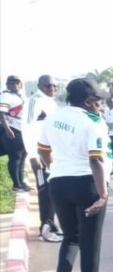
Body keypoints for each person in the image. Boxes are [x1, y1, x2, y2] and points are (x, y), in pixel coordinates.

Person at [36, 78, 111, 272]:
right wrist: (103, 194)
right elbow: (95, 159)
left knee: (71, 237)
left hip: (58, 183)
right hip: (87, 183)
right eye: (98, 102)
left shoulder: (53, 117)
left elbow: (43, 151)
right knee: (90, 244)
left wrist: (54, 169)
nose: (100, 107)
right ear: (88, 102)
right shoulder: (93, 121)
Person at [23, 74, 62, 242]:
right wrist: (32, 156)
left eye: (54, 86)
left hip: (52, 154)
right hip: (40, 155)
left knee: (54, 189)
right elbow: (27, 127)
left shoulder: (51, 102)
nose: (51, 89)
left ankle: (52, 224)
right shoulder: (34, 101)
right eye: (48, 86)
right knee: (45, 191)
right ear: (39, 86)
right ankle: (44, 229)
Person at [0, 75, 30, 192]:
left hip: (22, 130)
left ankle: (21, 182)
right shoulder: (5, 96)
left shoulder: (22, 97)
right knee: (15, 158)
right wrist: (8, 130)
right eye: (12, 83)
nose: (16, 85)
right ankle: (16, 185)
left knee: (22, 158)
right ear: (8, 85)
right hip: (12, 129)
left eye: (18, 83)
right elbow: (2, 114)